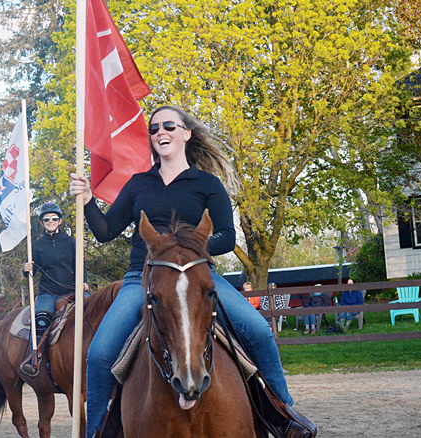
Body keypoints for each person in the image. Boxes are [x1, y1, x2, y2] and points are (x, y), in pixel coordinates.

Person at [70, 105, 316, 438]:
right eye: (154, 129)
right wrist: (87, 201)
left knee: (259, 331)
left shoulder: (207, 184)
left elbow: (228, 237)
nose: (160, 133)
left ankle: (284, 415)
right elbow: (105, 230)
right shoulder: (138, 184)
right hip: (142, 280)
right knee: (99, 353)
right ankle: (96, 432)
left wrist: (187, 252)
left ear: (186, 133)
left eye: (168, 126)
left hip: (200, 277)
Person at [20, 202, 88, 376]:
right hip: (48, 292)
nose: (50, 221)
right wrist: (26, 269)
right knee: (41, 319)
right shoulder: (36, 246)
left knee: (94, 311)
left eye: (54, 218)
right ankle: (34, 358)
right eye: (46, 219)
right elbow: (31, 273)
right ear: (42, 223)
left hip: (71, 289)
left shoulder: (70, 243)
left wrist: (84, 281)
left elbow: (80, 264)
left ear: (60, 221)